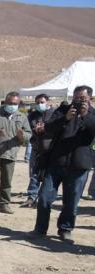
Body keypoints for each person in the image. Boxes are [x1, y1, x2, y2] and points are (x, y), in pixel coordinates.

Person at [30, 85, 95, 243]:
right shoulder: (62, 110)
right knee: (45, 197)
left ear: (90, 99)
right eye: (76, 97)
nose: (78, 101)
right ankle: (40, 229)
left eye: (82, 98)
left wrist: (85, 115)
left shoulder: (93, 114)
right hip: (56, 162)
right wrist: (65, 118)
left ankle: (65, 229)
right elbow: (49, 129)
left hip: (79, 164)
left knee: (71, 201)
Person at [0, 91, 32, 214]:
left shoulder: (21, 117)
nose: (12, 105)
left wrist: (22, 135)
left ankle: (3, 204)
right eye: (10, 103)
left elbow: (29, 134)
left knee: (6, 182)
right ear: (5, 102)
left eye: (15, 103)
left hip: (10, 153)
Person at [22, 94, 54, 208]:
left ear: (48, 102)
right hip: (36, 149)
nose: (40, 105)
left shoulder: (55, 114)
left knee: (48, 175)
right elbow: (27, 131)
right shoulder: (32, 116)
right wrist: (34, 134)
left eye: (42, 102)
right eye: (37, 103)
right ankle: (31, 197)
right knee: (34, 174)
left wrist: (45, 130)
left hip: (51, 150)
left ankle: (44, 197)